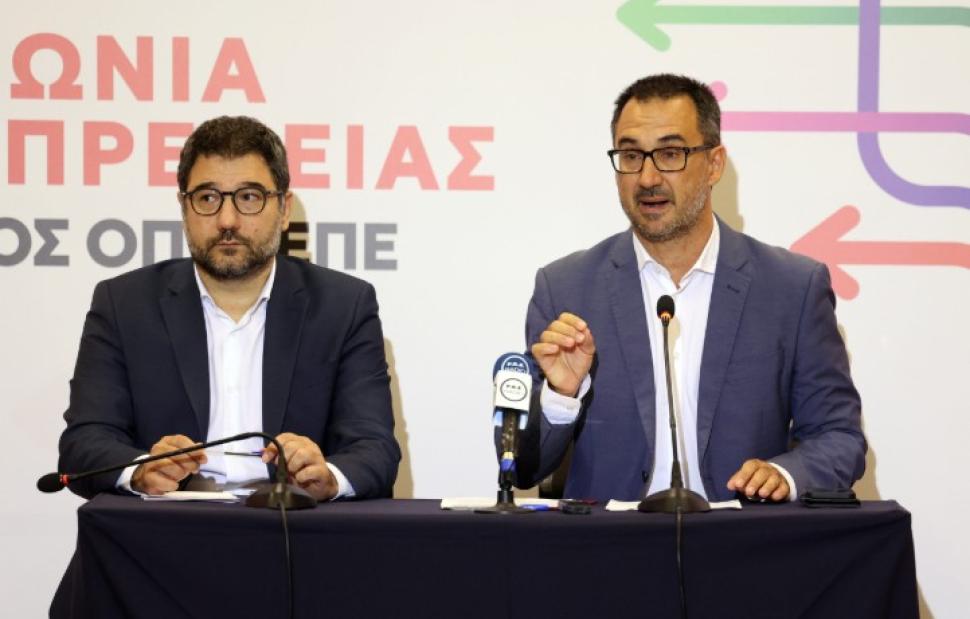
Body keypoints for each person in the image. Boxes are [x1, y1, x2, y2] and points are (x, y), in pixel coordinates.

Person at [515, 74, 866, 503]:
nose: (647, 177)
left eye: (670, 154)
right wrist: (560, 396)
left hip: (740, 536)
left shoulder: (792, 288)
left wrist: (784, 475)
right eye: (631, 155)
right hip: (610, 539)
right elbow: (523, 467)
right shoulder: (566, 289)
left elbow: (839, 436)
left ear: (714, 164)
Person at [58, 116, 400, 501]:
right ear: (184, 208)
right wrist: (139, 470)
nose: (227, 221)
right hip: (167, 526)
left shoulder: (343, 306)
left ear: (284, 210)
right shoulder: (124, 305)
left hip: (293, 525)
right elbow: (83, 444)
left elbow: (375, 449)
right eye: (207, 198)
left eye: (249, 197)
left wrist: (329, 477)